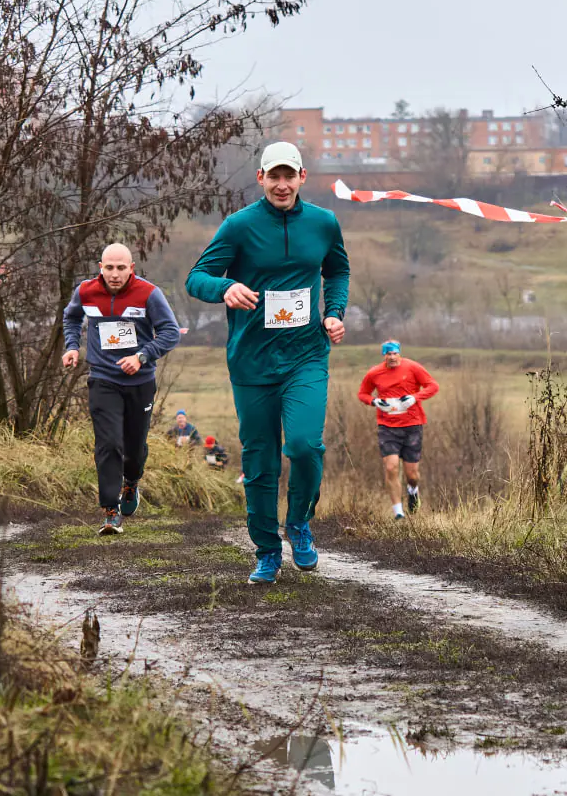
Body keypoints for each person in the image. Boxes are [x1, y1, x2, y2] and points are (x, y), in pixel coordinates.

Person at [186, 141, 349, 585]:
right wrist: (224, 288)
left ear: (302, 177)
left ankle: (298, 523)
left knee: (303, 445)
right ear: (260, 178)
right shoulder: (239, 227)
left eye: (288, 175)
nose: (281, 184)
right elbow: (195, 278)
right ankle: (266, 551)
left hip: (306, 356)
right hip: (253, 362)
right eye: (272, 176)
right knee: (260, 461)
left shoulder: (323, 222)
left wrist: (334, 311)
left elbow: (337, 271)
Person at [63, 243, 182, 536]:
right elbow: (72, 317)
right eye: (109, 268)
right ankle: (110, 511)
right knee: (109, 444)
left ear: (131, 269)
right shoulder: (86, 291)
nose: (115, 274)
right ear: (100, 268)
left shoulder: (149, 294)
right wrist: (72, 346)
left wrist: (142, 356)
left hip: (140, 382)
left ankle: (132, 482)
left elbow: (170, 332)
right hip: (103, 378)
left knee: (134, 448)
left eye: (121, 268)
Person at [357, 340, 439, 520]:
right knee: (391, 467)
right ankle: (398, 512)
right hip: (387, 427)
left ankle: (413, 490)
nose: (392, 357)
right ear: (384, 356)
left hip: (412, 425)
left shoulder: (413, 367)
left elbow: (433, 386)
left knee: (412, 474)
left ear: (399, 353)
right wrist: (375, 402)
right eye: (388, 354)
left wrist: (414, 398)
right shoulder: (375, 373)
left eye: (395, 353)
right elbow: (362, 393)